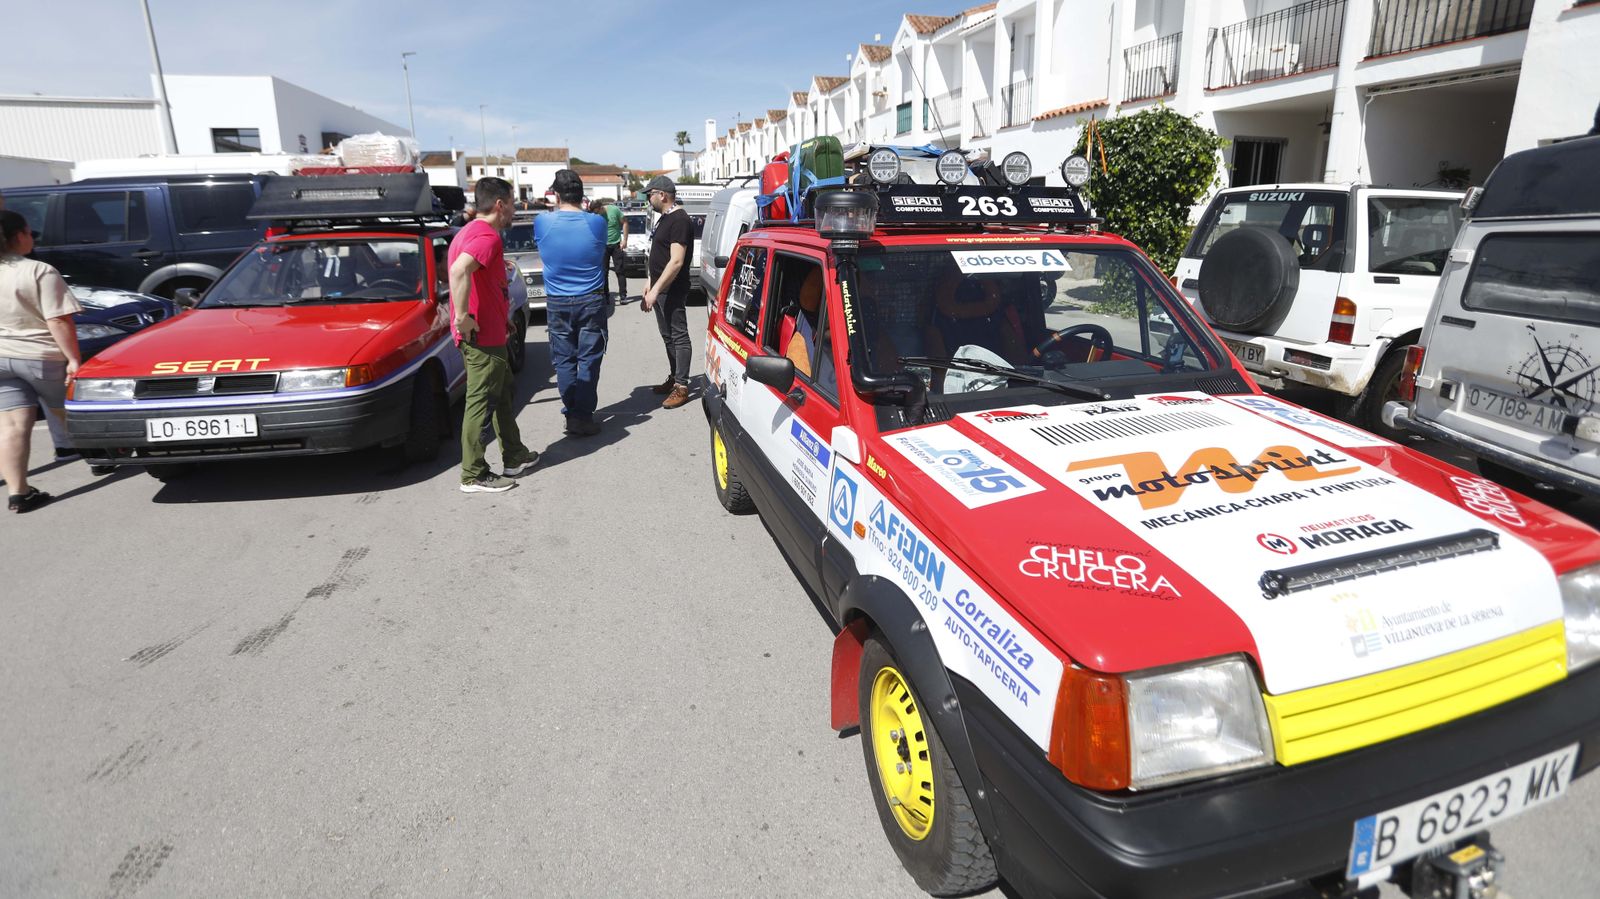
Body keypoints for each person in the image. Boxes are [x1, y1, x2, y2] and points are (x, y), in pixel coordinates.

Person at [449, 177, 540, 493]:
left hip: (492, 332)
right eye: (513, 203)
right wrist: (463, 319)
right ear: (500, 205)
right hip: (481, 339)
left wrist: (503, 320)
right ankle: (473, 473)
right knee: (480, 402)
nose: (515, 210)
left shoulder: (468, 231)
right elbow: (460, 271)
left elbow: (485, 284)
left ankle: (514, 455)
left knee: (503, 395)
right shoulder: (487, 237)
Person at [0, 210, 81, 512]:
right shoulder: (39, 271)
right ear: (19, 236)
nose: (31, 238)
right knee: (71, 411)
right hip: (40, 356)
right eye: (29, 232)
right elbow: (59, 320)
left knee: (11, 425)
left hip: (1, 358)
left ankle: (18, 492)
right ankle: (102, 460)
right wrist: (73, 359)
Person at [534, 169, 610, 437]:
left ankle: (572, 412)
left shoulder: (543, 222)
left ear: (556, 193)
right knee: (589, 359)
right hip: (590, 299)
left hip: (557, 301)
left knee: (565, 360)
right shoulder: (596, 222)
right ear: (582, 194)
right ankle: (582, 415)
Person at [640, 175, 695, 409]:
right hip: (660, 288)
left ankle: (682, 386)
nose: (647, 199)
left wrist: (656, 291)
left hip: (672, 289)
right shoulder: (664, 218)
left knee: (679, 335)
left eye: (649, 194)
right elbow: (658, 254)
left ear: (662, 195)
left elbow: (676, 262)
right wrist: (649, 282)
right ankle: (674, 377)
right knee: (667, 336)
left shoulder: (679, 220)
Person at [594, 197, 629, 302]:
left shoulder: (614, 210)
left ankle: (623, 295)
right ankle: (606, 296)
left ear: (601, 208)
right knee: (604, 272)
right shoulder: (595, 215)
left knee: (620, 271)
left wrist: (625, 240)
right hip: (603, 246)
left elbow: (625, 223)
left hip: (616, 244)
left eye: (598, 212)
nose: (598, 215)